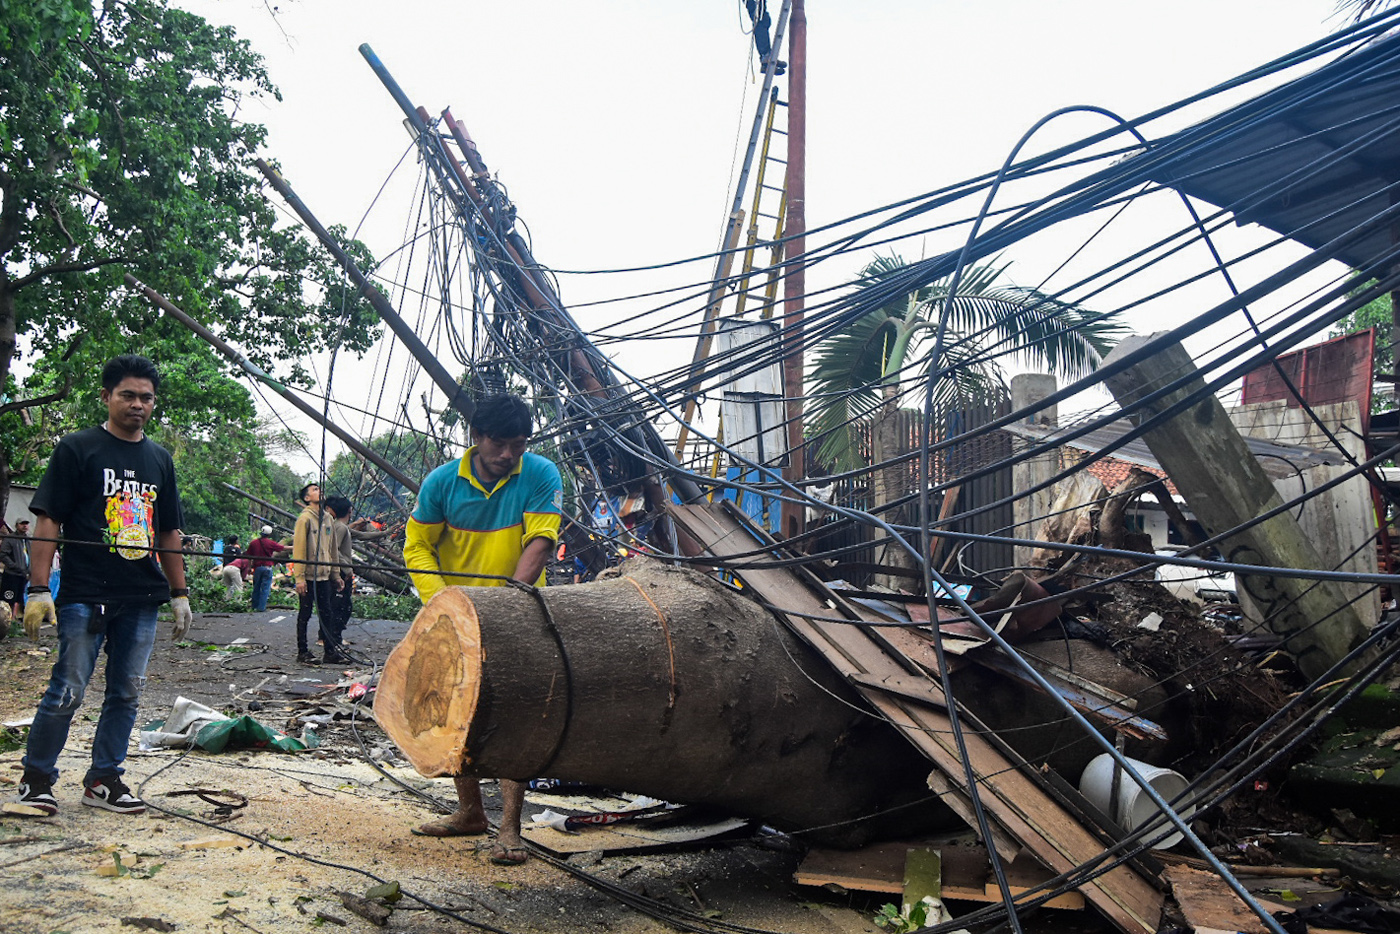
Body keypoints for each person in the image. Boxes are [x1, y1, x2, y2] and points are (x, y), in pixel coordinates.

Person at [13, 354, 191, 816]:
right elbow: (49, 519)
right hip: (85, 593)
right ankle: (36, 780)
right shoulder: (78, 449)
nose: (138, 404)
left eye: (146, 397)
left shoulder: (159, 459)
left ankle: (104, 780)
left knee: (128, 690)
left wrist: (180, 594)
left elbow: (168, 531)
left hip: (140, 596)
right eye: (128, 395)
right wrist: (37, 589)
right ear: (107, 397)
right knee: (68, 689)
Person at [403, 394, 562, 866]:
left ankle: (510, 830)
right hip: (453, 616)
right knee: (456, 713)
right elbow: (417, 547)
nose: (508, 454)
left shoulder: (540, 474)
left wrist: (507, 603)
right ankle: (470, 813)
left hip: (520, 610)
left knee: (515, 714)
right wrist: (443, 602)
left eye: (518, 444)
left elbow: (540, 542)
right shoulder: (441, 483)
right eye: (499, 443)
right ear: (475, 437)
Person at [291, 482, 345, 665]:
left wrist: (336, 575)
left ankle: (330, 652)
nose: (319, 491)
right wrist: (299, 578)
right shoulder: (304, 519)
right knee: (305, 614)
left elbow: (333, 550)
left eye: (319, 489)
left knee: (327, 613)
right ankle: (302, 652)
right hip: (308, 576)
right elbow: (298, 550)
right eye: (314, 490)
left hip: (324, 576)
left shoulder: (328, 519)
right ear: (307, 498)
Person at [325, 496, 355, 636]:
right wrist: (347, 569)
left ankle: (332, 637)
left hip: (340, 570)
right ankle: (333, 637)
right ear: (350, 510)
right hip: (341, 571)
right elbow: (334, 550)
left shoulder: (339, 526)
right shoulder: (340, 527)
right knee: (342, 606)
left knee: (340, 606)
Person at [244, 525, 284, 612]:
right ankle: (261, 608)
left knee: (256, 587)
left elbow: (249, 556)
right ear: (269, 534)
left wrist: (249, 567)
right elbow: (282, 548)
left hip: (257, 568)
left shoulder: (253, 543)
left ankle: (254, 606)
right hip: (267, 568)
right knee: (265, 588)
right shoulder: (271, 543)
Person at [1, 518, 30, 619]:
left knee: (19, 598)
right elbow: (3, 555)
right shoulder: (10, 538)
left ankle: (14, 618)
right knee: (9, 597)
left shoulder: (27, 539)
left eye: (26, 524)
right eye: (22, 524)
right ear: (17, 525)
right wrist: (14, 565)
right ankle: (6, 618)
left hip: (23, 574)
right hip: (11, 574)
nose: (25, 526)